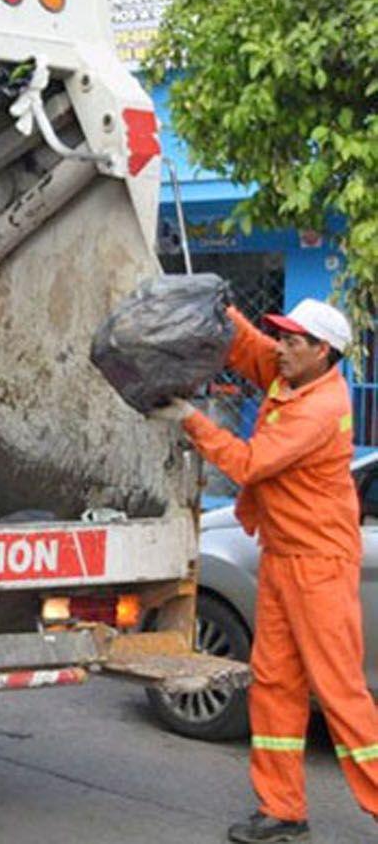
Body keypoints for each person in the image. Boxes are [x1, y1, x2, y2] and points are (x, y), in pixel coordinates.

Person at [153, 299, 374, 843]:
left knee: (339, 694)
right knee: (274, 685)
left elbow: (249, 464)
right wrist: (217, 306)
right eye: (282, 336)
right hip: (281, 556)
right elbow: (250, 346)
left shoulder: (320, 409)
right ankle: (282, 810)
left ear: (324, 353)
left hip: (318, 564)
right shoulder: (292, 374)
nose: (280, 348)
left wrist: (190, 420)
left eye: (293, 341)